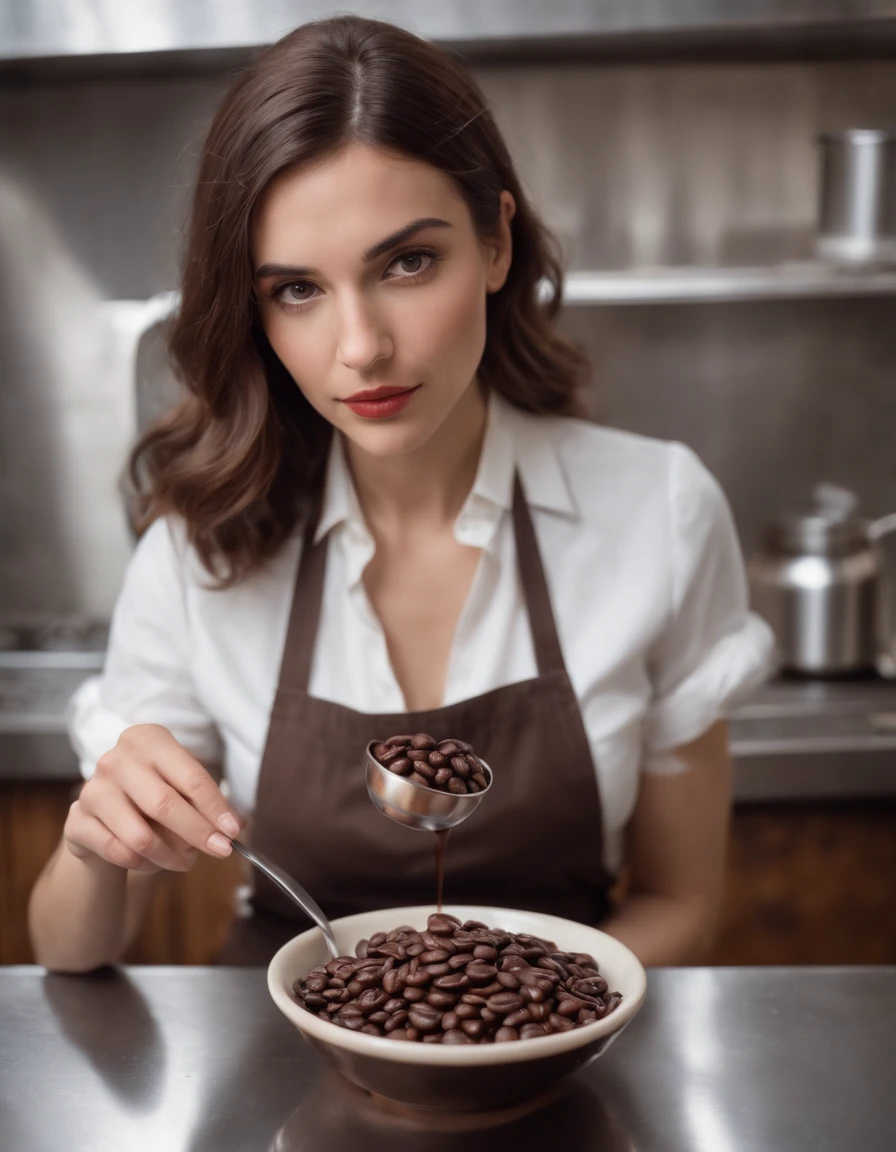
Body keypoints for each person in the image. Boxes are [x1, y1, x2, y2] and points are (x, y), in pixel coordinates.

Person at [28, 15, 773, 972]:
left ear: (497, 244)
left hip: (564, 1064)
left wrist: (511, 1034)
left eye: (407, 262)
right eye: (296, 289)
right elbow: (71, 953)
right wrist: (94, 846)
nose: (361, 347)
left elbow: (681, 901)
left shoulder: (661, 514)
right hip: (275, 1063)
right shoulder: (199, 548)